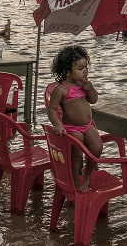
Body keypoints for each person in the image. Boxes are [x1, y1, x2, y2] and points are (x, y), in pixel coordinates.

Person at [46, 45, 102, 192]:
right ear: (67, 72)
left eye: (85, 67)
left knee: (97, 148)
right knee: (77, 155)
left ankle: (87, 173)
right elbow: (51, 109)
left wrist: (90, 90)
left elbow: (94, 100)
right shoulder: (62, 89)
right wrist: (57, 124)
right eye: (80, 68)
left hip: (87, 125)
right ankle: (76, 180)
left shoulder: (83, 85)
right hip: (72, 129)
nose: (85, 71)